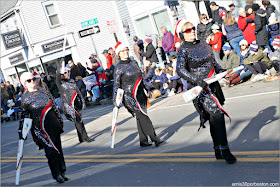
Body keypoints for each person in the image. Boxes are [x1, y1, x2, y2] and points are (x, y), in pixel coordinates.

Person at [176, 20, 236, 164]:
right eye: (187, 30)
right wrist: (197, 80)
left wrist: (221, 71)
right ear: (182, 34)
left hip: (212, 83)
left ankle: (218, 149)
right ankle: (225, 150)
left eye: (192, 28)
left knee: (214, 117)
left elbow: (212, 61)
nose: (192, 31)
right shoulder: (183, 50)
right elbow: (180, 69)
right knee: (217, 114)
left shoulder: (203, 43)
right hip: (200, 88)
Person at [18, 72, 69, 183]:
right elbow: (24, 116)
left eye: (33, 79)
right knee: (51, 152)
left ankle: (62, 171)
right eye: (29, 80)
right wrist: (22, 131)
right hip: (41, 130)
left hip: (53, 125)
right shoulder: (25, 98)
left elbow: (54, 107)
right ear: (24, 84)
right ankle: (56, 174)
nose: (33, 81)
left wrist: (60, 121)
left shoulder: (44, 91)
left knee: (58, 150)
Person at [113, 41, 163, 147]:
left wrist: (147, 88)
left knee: (140, 116)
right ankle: (155, 138)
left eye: (127, 50)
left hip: (140, 93)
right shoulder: (118, 67)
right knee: (143, 116)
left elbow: (140, 78)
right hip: (129, 96)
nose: (126, 52)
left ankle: (143, 140)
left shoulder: (133, 62)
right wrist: (115, 100)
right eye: (123, 51)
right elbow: (116, 85)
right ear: (119, 53)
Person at [56, 59, 92, 143]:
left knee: (78, 121)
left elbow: (78, 92)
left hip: (76, 103)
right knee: (78, 119)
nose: (65, 74)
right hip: (68, 105)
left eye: (66, 73)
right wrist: (60, 64)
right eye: (63, 73)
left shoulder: (72, 81)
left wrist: (82, 101)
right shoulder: (60, 83)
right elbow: (57, 76)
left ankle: (81, 138)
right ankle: (85, 137)